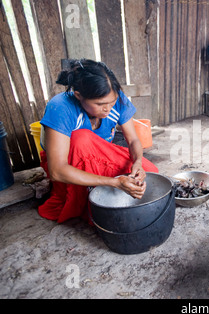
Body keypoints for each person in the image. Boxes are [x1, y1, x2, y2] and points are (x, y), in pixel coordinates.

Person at [38, 59, 158, 224]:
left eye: (112, 102)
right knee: (81, 138)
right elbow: (57, 170)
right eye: (100, 104)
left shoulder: (117, 99)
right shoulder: (60, 107)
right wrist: (113, 183)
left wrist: (136, 162)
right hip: (67, 163)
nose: (108, 109)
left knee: (151, 173)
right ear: (79, 96)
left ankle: (102, 187)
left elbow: (133, 140)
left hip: (97, 154)